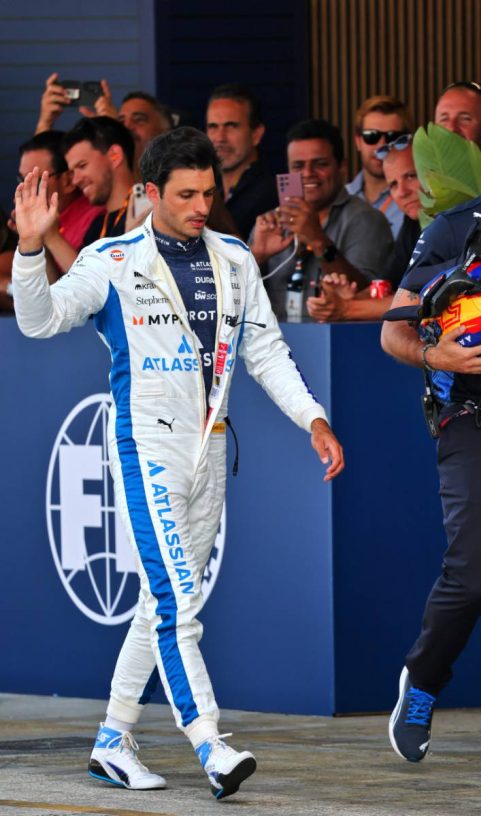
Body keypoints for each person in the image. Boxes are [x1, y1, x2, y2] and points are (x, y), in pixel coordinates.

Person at [12, 126, 344, 799]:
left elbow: (267, 353)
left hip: (212, 447)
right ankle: (210, 743)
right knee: (175, 603)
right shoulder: (109, 260)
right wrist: (27, 247)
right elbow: (38, 322)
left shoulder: (234, 258)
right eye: (185, 194)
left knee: (163, 601)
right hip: (146, 446)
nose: (199, 205)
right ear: (150, 192)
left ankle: (112, 742)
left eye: (208, 192)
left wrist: (312, 418)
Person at [381, 100, 481, 778]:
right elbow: (392, 328)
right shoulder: (454, 227)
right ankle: (421, 681)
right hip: (477, 424)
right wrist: (435, 358)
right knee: (475, 575)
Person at [251, 118, 392, 322]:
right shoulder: (271, 221)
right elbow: (232, 296)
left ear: (341, 167)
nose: (308, 174)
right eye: (298, 166)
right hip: (273, 347)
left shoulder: (367, 219)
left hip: (335, 346)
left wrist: (318, 240)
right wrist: (257, 254)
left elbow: (368, 294)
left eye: (320, 164)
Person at [307, 134, 422, 322]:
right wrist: (346, 298)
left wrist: (347, 308)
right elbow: (385, 287)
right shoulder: (413, 222)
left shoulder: (453, 221)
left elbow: (425, 300)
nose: (401, 192)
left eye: (411, 176)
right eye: (393, 184)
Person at [17, 131, 104, 276]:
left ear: (68, 181)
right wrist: (33, 239)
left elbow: (94, 286)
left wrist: (52, 237)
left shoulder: (97, 218)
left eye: (36, 181)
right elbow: (49, 289)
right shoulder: (47, 220)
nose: (25, 190)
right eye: (22, 180)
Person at [206, 83, 277, 241]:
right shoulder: (206, 188)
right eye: (213, 127)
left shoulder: (272, 194)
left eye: (231, 126)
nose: (220, 138)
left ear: (256, 134)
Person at [346, 95, 412, 238]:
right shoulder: (341, 197)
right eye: (371, 136)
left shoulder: (413, 197)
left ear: (405, 142)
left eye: (392, 137)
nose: (381, 145)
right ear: (358, 141)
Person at [62, 116, 136, 245]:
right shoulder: (97, 226)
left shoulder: (152, 216)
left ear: (115, 156)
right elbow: (77, 266)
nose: (75, 180)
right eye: (73, 172)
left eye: (82, 165)